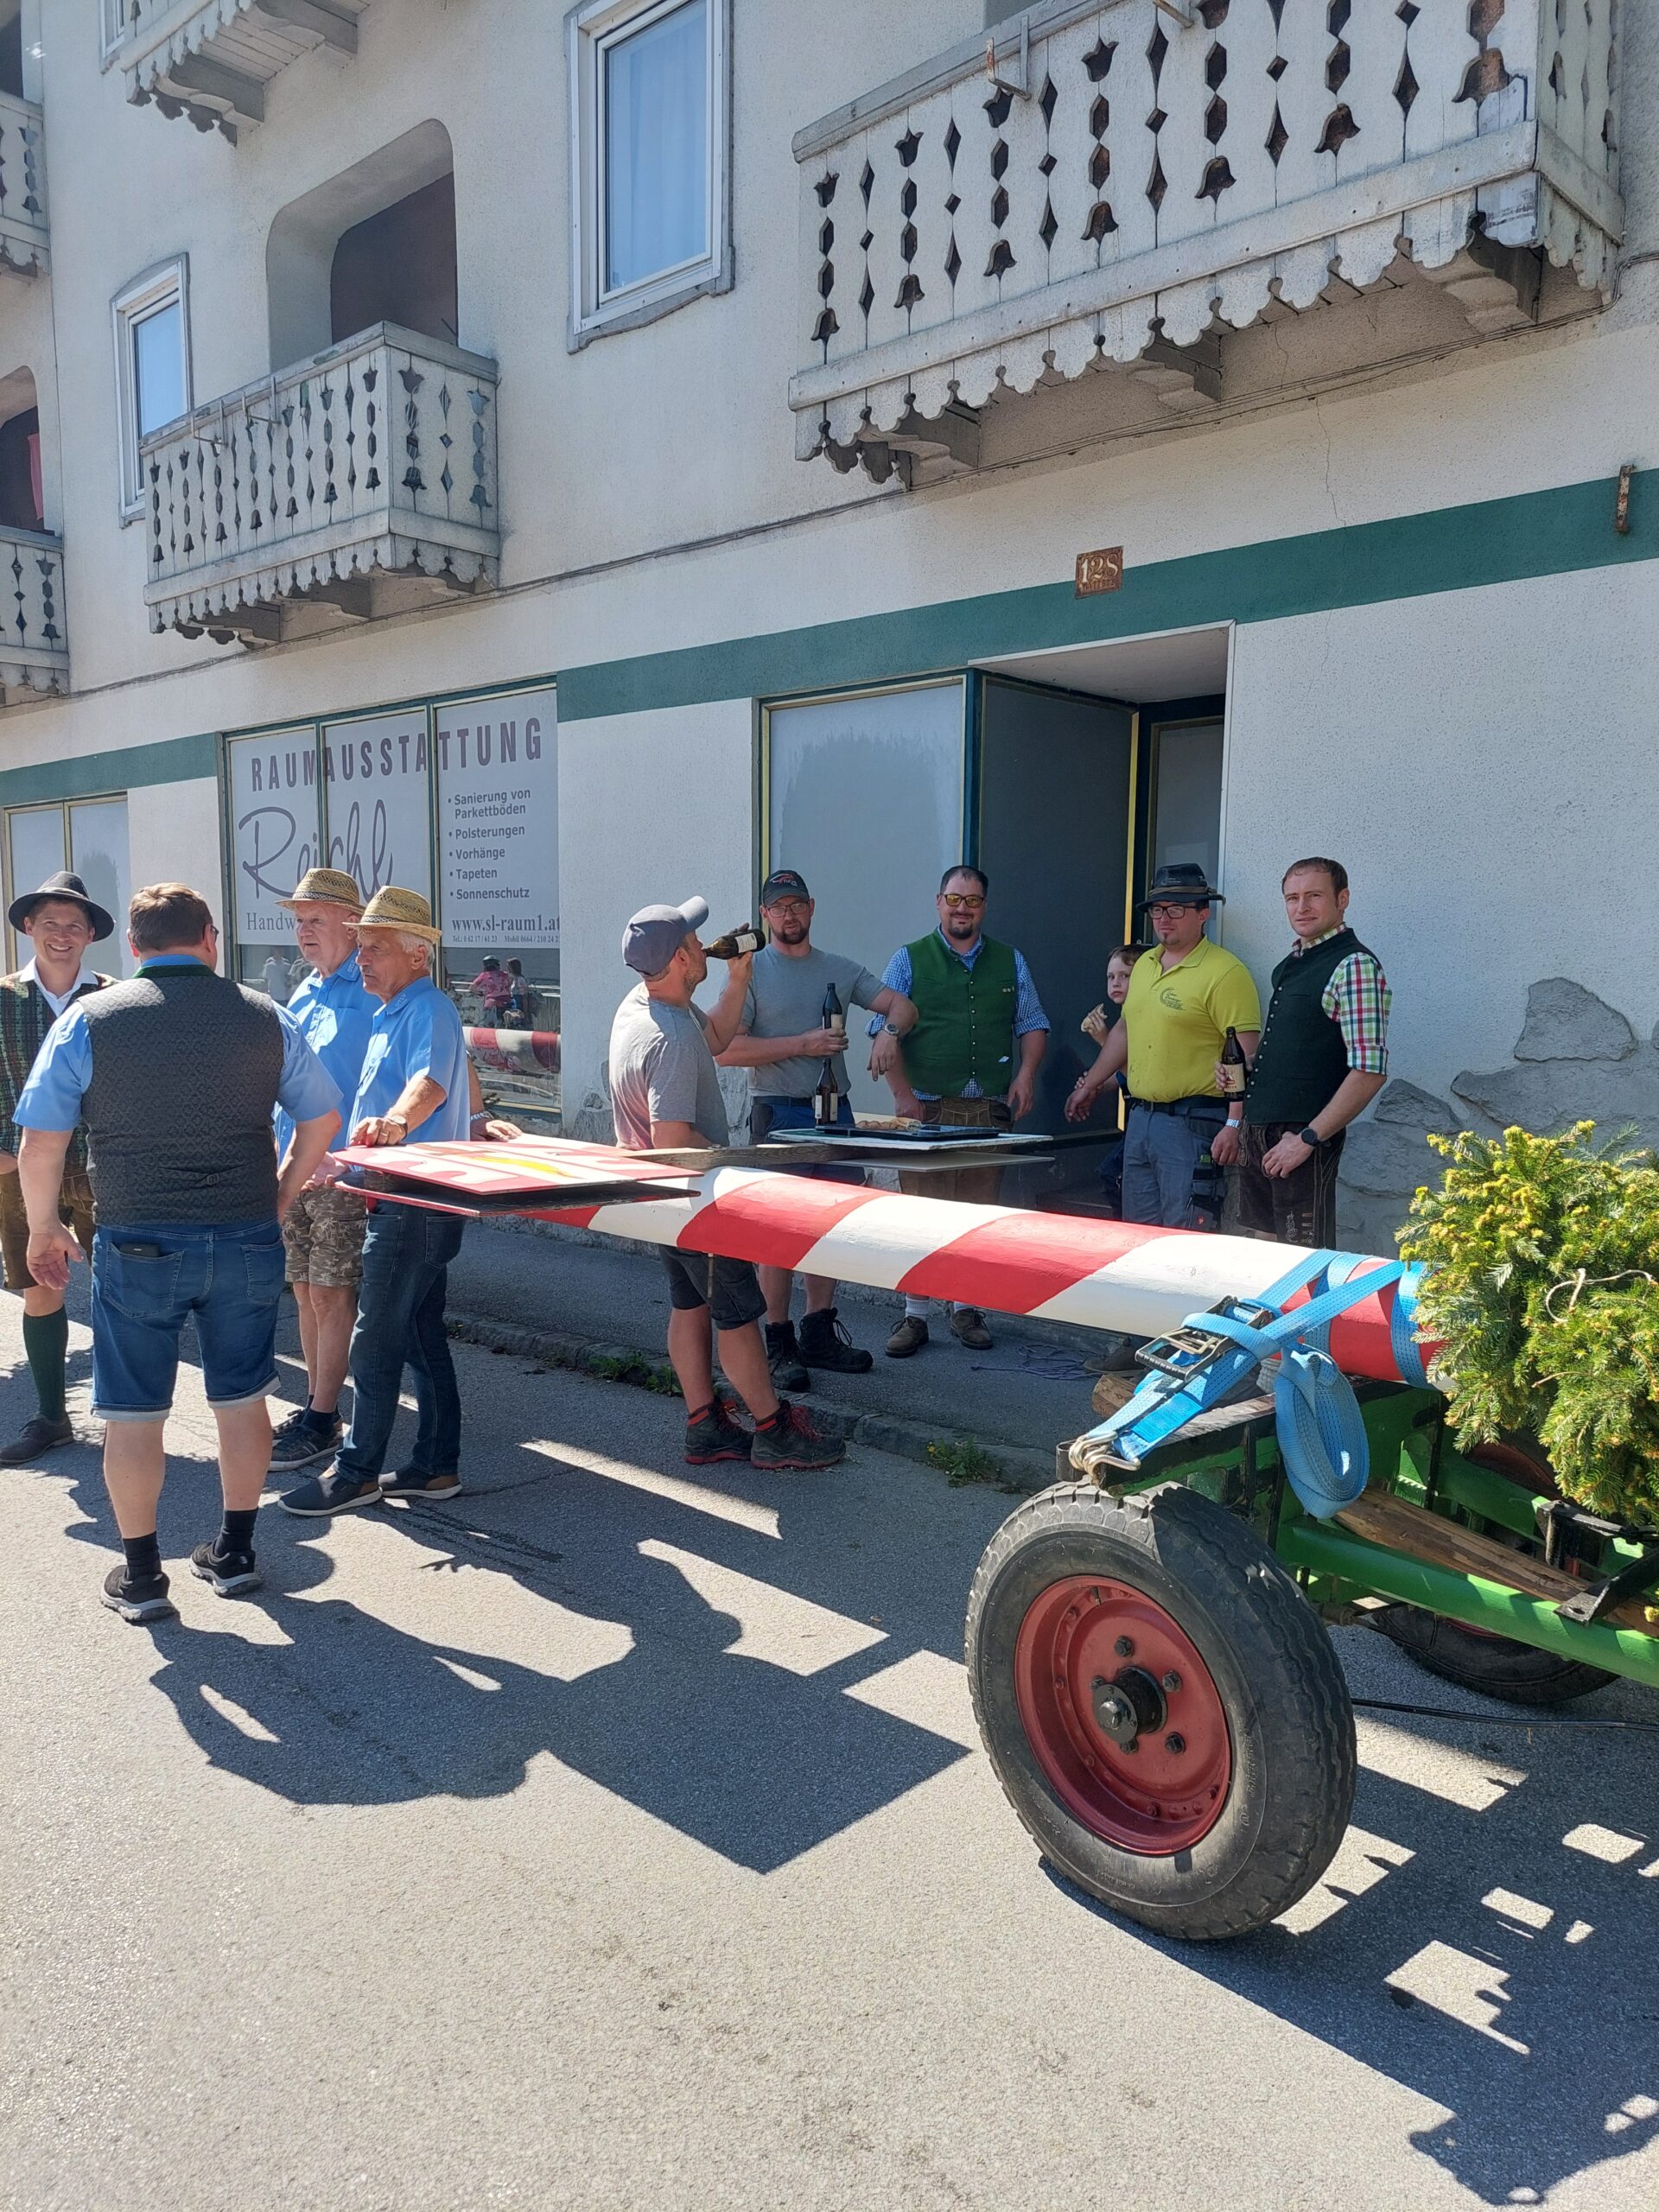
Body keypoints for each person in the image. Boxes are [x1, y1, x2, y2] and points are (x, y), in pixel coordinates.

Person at [14, 883, 340, 1623]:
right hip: (245, 1234)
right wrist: (282, 1194)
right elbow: (322, 1119)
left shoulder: (90, 1020)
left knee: (133, 1414)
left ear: (134, 947)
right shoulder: (266, 1015)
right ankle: (236, 1554)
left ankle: (140, 1579)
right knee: (242, 1399)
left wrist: (44, 1226)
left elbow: (41, 1140)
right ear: (211, 939)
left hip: (138, 1238)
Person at [279, 888, 507, 1516]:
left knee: (375, 1338)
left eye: (375, 948)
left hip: (415, 1201)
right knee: (417, 1336)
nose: (362, 959)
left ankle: (357, 1472)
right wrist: (344, 1163)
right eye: (362, 947)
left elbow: (428, 1084)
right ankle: (435, 1467)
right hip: (397, 1196)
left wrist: (397, 1123)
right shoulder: (391, 1011)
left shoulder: (427, 1006)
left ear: (417, 954)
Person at [609, 894, 843, 1471]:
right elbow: (672, 1140)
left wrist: (738, 976)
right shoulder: (670, 1036)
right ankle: (772, 1429)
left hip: (661, 1200)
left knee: (689, 1304)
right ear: (682, 958)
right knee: (737, 1314)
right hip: (696, 1200)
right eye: (694, 941)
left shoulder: (644, 1003)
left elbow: (715, 1037)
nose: (702, 944)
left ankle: (704, 1423)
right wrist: (735, 1164)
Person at [715, 868, 916, 1389]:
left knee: (831, 1224)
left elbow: (901, 1004)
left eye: (797, 904)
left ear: (811, 908)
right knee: (778, 1231)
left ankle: (818, 1331)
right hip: (778, 1112)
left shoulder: (839, 969)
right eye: (780, 907)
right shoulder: (751, 972)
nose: (790, 914)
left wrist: (889, 1034)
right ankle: (778, 1341)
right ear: (765, 914)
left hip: (834, 1113)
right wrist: (803, 1044)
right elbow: (727, 1049)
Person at [870, 865, 1049, 1358]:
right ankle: (916, 1313)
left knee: (976, 1214)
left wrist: (1025, 1075)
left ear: (984, 906)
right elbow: (882, 1032)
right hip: (926, 1106)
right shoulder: (908, 958)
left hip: (987, 1107)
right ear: (939, 902)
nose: (962, 909)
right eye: (954, 899)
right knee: (921, 1214)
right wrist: (902, 1096)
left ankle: (966, 1308)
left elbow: (1033, 1022)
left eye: (971, 900)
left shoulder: (1011, 960)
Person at [1065, 863, 1260, 1230]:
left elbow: (1246, 1057)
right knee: (1139, 1236)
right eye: (1157, 910)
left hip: (1193, 1122)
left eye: (1176, 909)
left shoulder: (1226, 972)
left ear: (1203, 913)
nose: (1164, 919)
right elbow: (1124, 1030)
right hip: (1141, 1119)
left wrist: (1234, 1123)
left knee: (1185, 1236)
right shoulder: (1144, 965)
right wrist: (1090, 1084)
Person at [0, 872, 117, 1464]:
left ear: (91, 935)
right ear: (28, 927)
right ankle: (51, 1416)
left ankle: (125, 1417)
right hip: (22, 1166)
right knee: (38, 1287)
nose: (63, 935)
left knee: (118, 1289)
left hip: (104, 1165)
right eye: (51, 923)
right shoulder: (2, 998)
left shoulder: (114, 999)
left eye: (75, 925)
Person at [267, 868, 379, 1473]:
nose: (303, 931)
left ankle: (322, 1415)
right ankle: (319, 1406)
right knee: (307, 1291)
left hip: (342, 1170)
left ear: (351, 925)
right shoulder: (304, 992)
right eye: (299, 921)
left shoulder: (373, 988)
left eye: (315, 919)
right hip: (296, 1165)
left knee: (334, 1293)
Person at [1230, 857, 1391, 1247]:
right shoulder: (1291, 963)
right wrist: (1251, 1067)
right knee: (1260, 1251)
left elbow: (1369, 1070)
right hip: (1260, 1130)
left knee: (1301, 1260)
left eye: (1314, 896)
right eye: (1292, 898)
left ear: (1342, 899)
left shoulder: (1353, 965)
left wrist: (1307, 1139)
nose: (1301, 907)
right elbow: (1304, 1047)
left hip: (1301, 1136)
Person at [1080, 941, 1144, 1217]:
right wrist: (1094, 1086)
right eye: (1110, 976)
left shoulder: (1144, 1019)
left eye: (1125, 976)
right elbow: (1122, 1076)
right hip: (1135, 1120)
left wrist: (1105, 1041)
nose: (1115, 983)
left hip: (1148, 1117)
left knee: (1114, 1174)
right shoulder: (1124, 1018)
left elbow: (1138, 1074)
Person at [471, 956, 512, 1020]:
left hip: (492, 1002)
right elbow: (510, 984)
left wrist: (480, 993)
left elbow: (472, 987)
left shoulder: (484, 975)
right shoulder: (505, 974)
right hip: (506, 1001)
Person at [504, 957, 532, 1030]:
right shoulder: (515, 979)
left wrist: (526, 1013)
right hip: (514, 1003)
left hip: (519, 1004)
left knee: (518, 1024)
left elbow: (524, 996)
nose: (508, 969)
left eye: (509, 967)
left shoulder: (520, 979)